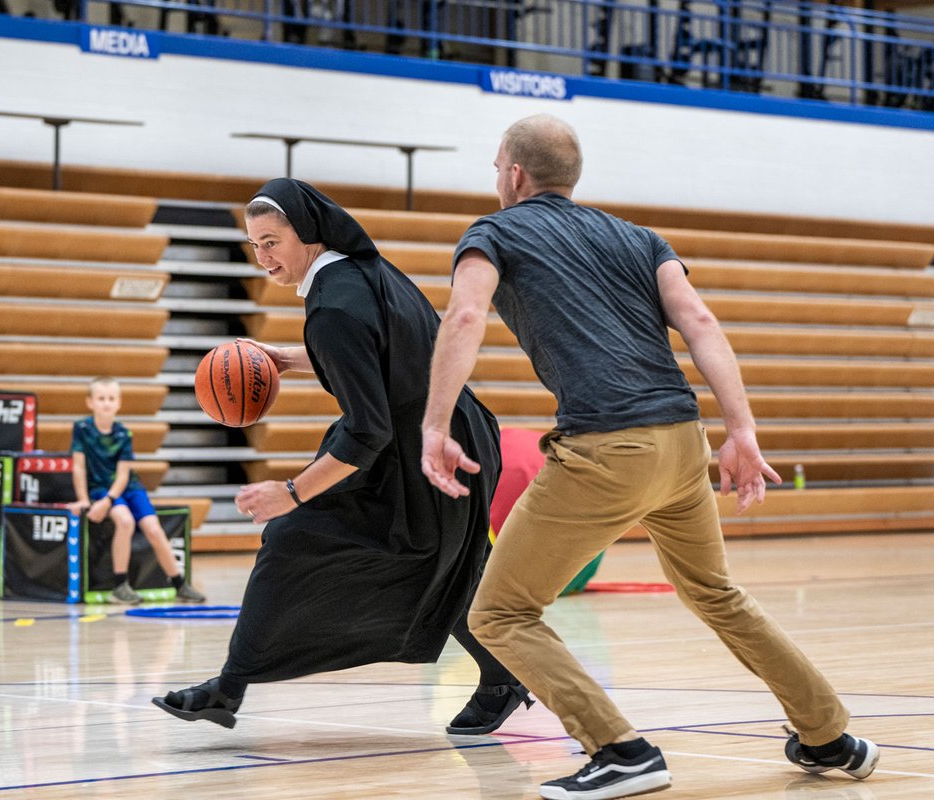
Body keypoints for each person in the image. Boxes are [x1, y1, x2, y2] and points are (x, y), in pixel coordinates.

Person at [419, 114, 879, 799]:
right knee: (717, 593)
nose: (496, 180)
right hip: (682, 442)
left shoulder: (492, 233)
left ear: (514, 174)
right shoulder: (639, 238)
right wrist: (742, 430)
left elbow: (463, 316)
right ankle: (829, 735)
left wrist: (434, 424)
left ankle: (620, 750)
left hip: (608, 445)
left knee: (500, 614)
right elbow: (699, 321)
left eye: (496, 169)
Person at [152, 178, 532, 735]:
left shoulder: (333, 308)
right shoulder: (362, 270)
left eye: (272, 241)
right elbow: (384, 353)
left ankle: (230, 686)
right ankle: (501, 678)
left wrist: (291, 493)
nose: (263, 257)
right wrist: (291, 356)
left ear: (306, 232)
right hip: (457, 431)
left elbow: (366, 434)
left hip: (421, 450)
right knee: (444, 568)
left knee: (293, 538)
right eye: (254, 245)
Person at [69, 377, 205, 605]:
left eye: (111, 399)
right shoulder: (82, 429)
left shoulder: (123, 434)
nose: (106, 403)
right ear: (90, 402)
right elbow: (78, 466)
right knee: (125, 521)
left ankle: (179, 584)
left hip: (128, 488)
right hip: (100, 487)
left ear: (118, 403)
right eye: (101, 398)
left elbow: (123, 475)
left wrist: (109, 500)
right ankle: (120, 585)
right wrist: (84, 499)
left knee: (153, 528)